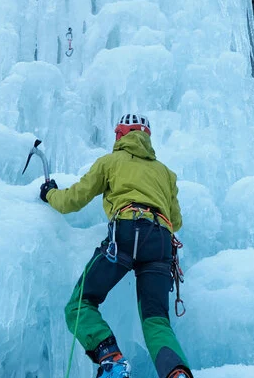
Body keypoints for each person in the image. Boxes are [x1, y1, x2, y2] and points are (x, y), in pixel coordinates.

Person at [40, 113, 191, 378]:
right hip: (161, 242)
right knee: (156, 321)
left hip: (126, 233)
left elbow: (72, 200)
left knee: (79, 305)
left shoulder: (110, 162)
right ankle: (177, 374)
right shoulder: (166, 173)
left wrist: (49, 192)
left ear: (121, 134)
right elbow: (175, 221)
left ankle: (111, 360)